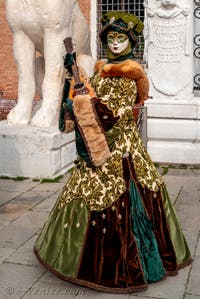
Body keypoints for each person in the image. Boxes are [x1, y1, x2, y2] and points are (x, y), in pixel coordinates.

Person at [34, 11, 192, 293]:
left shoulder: (131, 76)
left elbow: (113, 117)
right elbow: (89, 98)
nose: (115, 43)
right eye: (111, 39)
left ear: (131, 42)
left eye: (121, 38)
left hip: (121, 151)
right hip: (98, 146)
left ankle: (135, 265)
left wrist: (82, 104)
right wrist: (76, 82)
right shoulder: (101, 71)